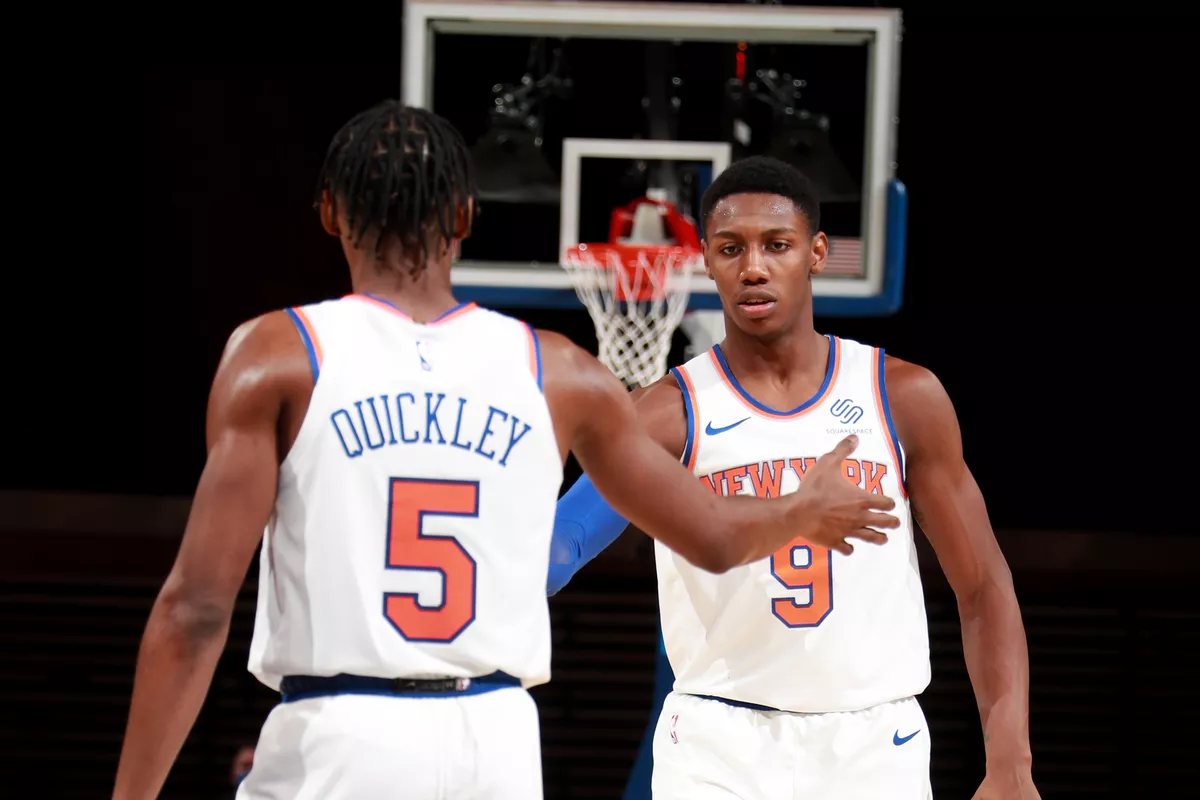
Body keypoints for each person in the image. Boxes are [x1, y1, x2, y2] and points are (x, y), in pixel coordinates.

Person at [112, 104, 900, 800]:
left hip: (339, 728)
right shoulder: (560, 372)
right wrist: (802, 508)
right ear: (465, 216)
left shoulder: (278, 356)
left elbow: (196, 610)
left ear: (328, 213)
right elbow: (717, 538)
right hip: (495, 739)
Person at [547, 156, 1040, 800]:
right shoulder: (666, 414)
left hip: (873, 741)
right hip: (717, 742)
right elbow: (567, 540)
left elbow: (982, 586)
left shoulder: (901, 397)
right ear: (707, 261)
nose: (753, 267)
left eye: (776, 245)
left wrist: (1010, 762)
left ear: (817, 253)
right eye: (731, 248)